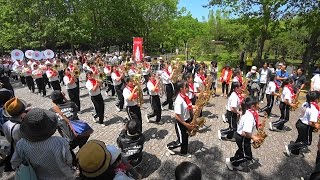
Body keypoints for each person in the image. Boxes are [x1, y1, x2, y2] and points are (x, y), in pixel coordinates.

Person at [11, 108, 74, 179]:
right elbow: (69, 160)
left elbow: (14, 163)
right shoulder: (60, 142)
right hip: (63, 176)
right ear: (49, 125)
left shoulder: (21, 144)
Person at [226, 96, 261, 171]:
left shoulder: (248, 111)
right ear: (252, 106)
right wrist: (253, 137)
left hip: (242, 137)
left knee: (241, 150)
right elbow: (244, 133)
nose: (259, 105)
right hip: (243, 138)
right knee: (248, 156)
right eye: (258, 104)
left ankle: (235, 163)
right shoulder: (249, 117)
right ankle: (231, 161)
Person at [285, 91, 320, 157]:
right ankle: (290, 147)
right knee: (307, 142)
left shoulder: (305, 103)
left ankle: (295, 152)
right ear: (316, 99)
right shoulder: (314, 109)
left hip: (299, 122)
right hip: (305, 126)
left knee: (300, 137)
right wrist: (317, 126)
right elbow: (311, 122)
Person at [166, 81, 195, 157]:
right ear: (181, 89)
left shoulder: (185, 96)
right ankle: (169, 146)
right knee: (181, 141)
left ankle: (184, 152)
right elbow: (176, 115)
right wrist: (186, 124)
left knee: (185, 138)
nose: (188, 88)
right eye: (186, 87)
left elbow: (189, 106)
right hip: (181, 123)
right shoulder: (179, 101)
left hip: (187, 120)